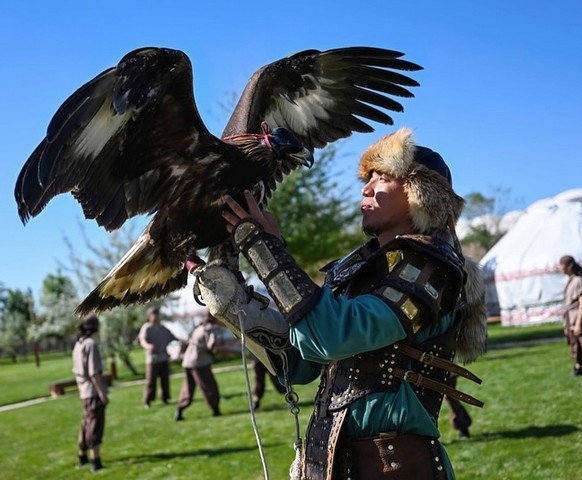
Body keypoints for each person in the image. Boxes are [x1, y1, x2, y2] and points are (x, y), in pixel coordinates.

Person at [192, 127, 488, 479]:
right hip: (330, 463)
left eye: (383, 178)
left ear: (421, 194)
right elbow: (298, 363)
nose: (366, 188)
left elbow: (332, 337)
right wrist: (235, 306)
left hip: (395, 468)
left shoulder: (431, 267)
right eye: (367, 178)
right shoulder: (355, 269)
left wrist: (262, 246)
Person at [72, 313, 109, 472]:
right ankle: (96, 461)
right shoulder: (91, 344)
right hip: (92, 392)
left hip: (83, 392)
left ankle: (82, 456)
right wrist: (102, 393)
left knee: (86, 424)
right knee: (95, 426)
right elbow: (94, 373)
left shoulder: (78, 344)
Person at [174, 312, 227, 421]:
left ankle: (180, 409)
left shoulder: (199, 327)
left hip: (188, 360)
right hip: (199, 361)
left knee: (188, 387)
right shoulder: (210, 329)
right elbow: (211, 345)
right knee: (209, 385)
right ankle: (215, 408)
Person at [138, 306, 177, 408]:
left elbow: (172, 337)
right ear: (149, 316)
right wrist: (148, 346)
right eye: (153, 315)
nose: (155, 317)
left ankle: (165, 398)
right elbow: (142, 340)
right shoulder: (146, 327)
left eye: (157, 314)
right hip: (152, 359)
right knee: (151, 381)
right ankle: (147, 401)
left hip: (164, 358)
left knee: (165, 380)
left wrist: (181, 341)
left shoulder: (162, 328)